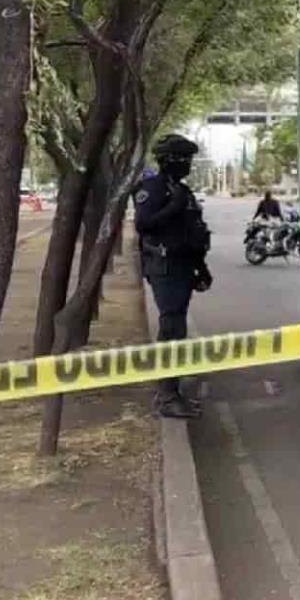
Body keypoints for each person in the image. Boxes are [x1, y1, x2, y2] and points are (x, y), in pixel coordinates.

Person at [134, 134, 213, 419]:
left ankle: (172, 391)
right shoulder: (153, 189)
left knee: (177, 329)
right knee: (171, 329)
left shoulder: (182, 190)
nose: (188, 164)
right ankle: (167, 396)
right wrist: (173, 207)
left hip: (183, 268)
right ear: (170, 160)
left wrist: (201, 269)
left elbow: (193, 232)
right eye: (184, 159)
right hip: (165, 269)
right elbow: (143, 224)